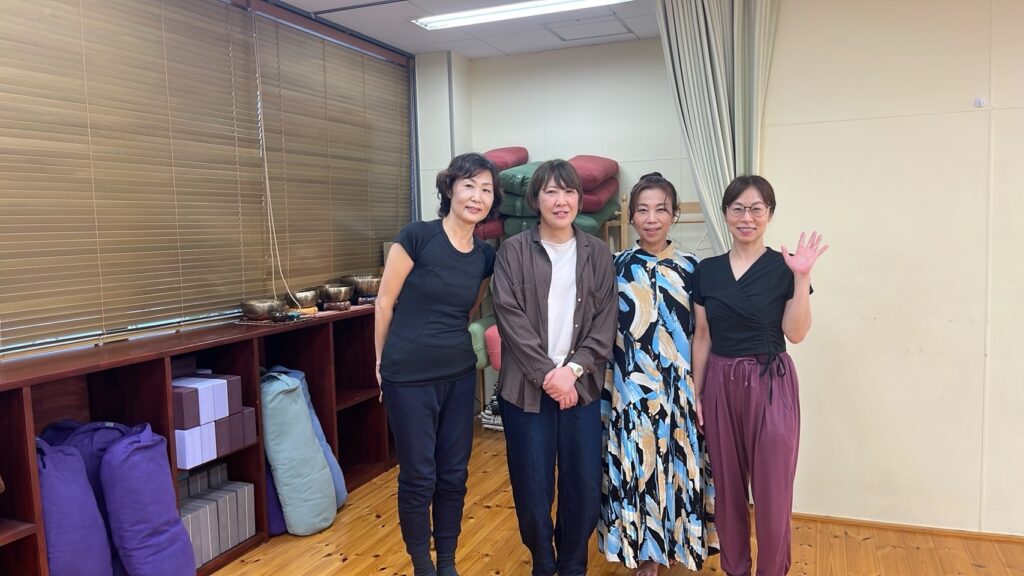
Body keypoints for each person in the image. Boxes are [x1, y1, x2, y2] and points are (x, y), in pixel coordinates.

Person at [691, 175, 828, 576]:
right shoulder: (707, 271)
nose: (746, 218)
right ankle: (735, 569)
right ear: (725, 214)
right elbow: (703, 336)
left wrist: (802, 276)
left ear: (769, 214)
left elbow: (796, 333)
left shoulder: (784, 268)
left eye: (756, 209)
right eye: (738, 209)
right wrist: (697, 392)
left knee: (773, 492)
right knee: (728, 490)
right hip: (720, 381)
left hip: (771, 382)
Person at [375, 152, 502, 576]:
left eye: (486, 189)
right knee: (418, 476)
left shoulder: (484, 256)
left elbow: (467, 310)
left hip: (458, 375)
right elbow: (384, 302)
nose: (477, 196)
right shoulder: (417, 236)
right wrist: (380, 363)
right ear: (450, 188)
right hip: (408, 376)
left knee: (453, 475)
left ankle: (447, 562)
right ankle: (422, 565)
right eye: (469, 186)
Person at [491, 159, 617, 576]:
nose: (560, 200)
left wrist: (572, 372)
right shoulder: (512, 251)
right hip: (526, 390)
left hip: (580, 388)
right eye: (551, 191)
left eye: (568, 191)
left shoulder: (598, 253)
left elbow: (604, 324)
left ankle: (573, 564)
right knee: (532, 487)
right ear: (536, 199)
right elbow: (509, 318)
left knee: (583, 486)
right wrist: (550, 375)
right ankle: (543, 562)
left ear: (579, 199)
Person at [599, 172, 718, 575]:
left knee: (676, 469)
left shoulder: (693, 268)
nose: (652, 219)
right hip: (630, 389)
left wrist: (698, 390)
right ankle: (644, 554)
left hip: (678, 390)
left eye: (661, 210)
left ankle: (677, 544)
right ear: (631, 216)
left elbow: (702, 334)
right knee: (639, 470)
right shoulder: (614, 266)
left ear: (674, 215)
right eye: (643, 210)